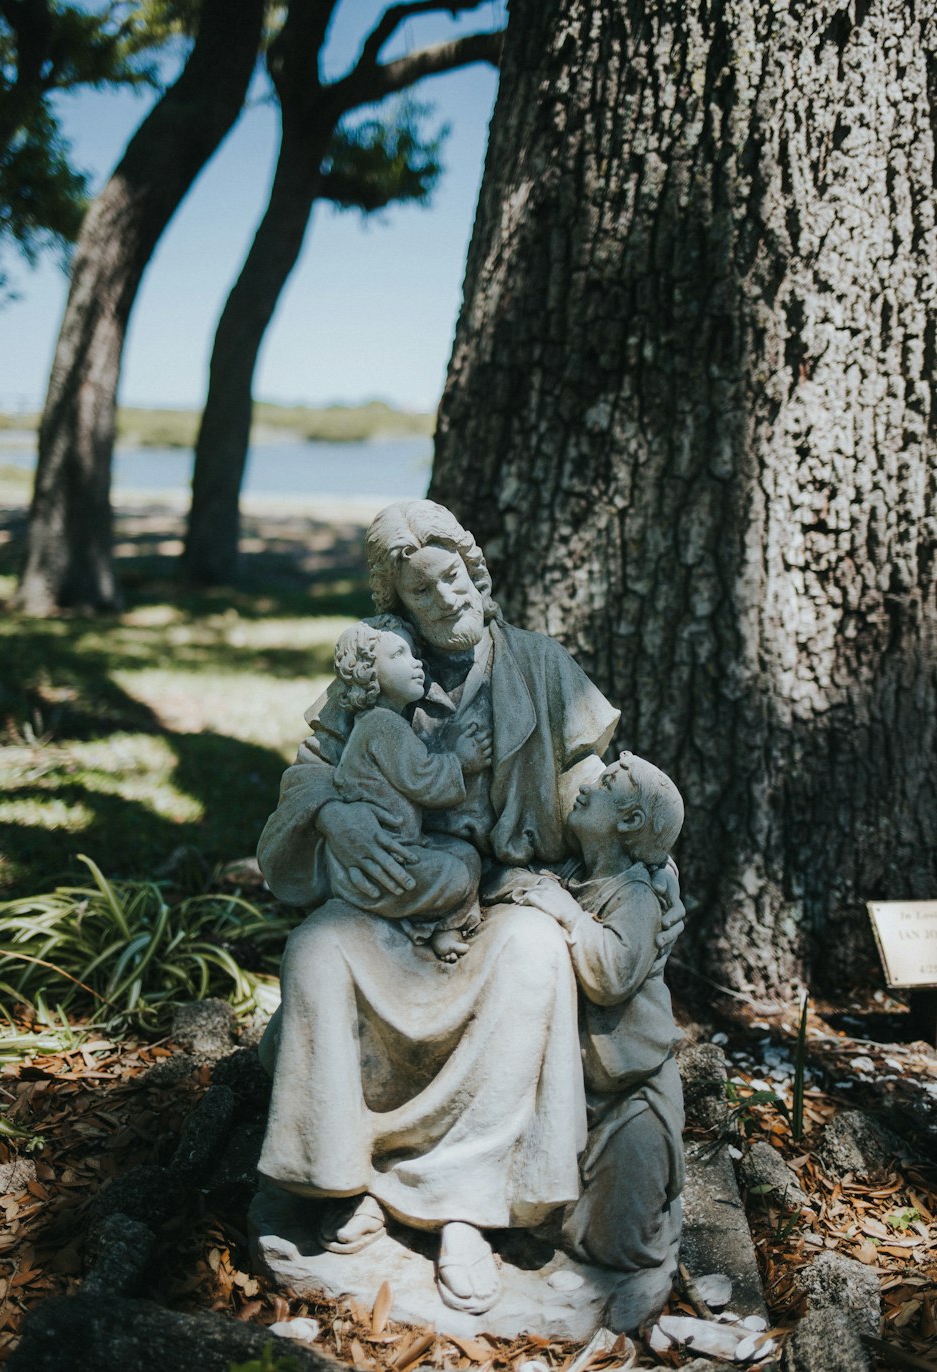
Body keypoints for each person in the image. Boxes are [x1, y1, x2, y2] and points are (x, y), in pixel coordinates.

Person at [256, 500, 684, 1315]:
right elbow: (311, 766)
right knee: (319, 948)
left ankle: (468, 1208)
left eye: (453, 578)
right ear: (399, 606)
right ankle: (340, 1181)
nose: (447, 600)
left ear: (475, 573)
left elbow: (616, 791)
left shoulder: (540, 670)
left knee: (532, 953)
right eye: (424, 592)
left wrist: (651, 888)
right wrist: (332, 810)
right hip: (392, 904)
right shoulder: (379, 669)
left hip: (501, 901)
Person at [500, 751, 686, 1329]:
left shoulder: (633, 895)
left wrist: (565, 915)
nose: (588, 786)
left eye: (607, 784)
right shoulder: (578, 875)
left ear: (630, 821)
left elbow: (611, 976)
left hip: (630, 1090)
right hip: (574, 1084)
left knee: (615, 1242)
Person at [328, 615, 488, 962]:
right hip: (379, 863)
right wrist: (461, 760)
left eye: (415, 654)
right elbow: (425, 780)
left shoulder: (384, 722)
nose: (417, 663)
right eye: (399, 655)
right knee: (456, 874)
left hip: (402, 845)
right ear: (367, 672)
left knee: (464, 856)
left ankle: (444, 928)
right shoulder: (384, 726)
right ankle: (422, 926)